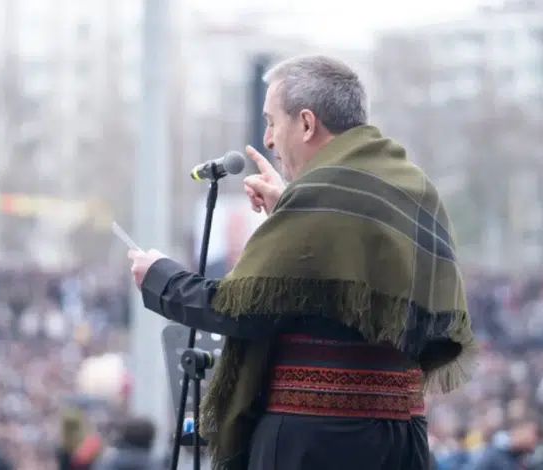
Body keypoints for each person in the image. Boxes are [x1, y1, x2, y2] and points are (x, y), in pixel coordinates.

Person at [128, 55, 475, 470]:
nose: (269, 140)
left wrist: (161, 278)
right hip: (403, 437)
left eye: (272, 122)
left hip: (317, 439)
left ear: (307, 124)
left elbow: (242, 308)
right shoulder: (413, 186)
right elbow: (351, 278)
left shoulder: (321, 193)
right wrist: (287, 210)